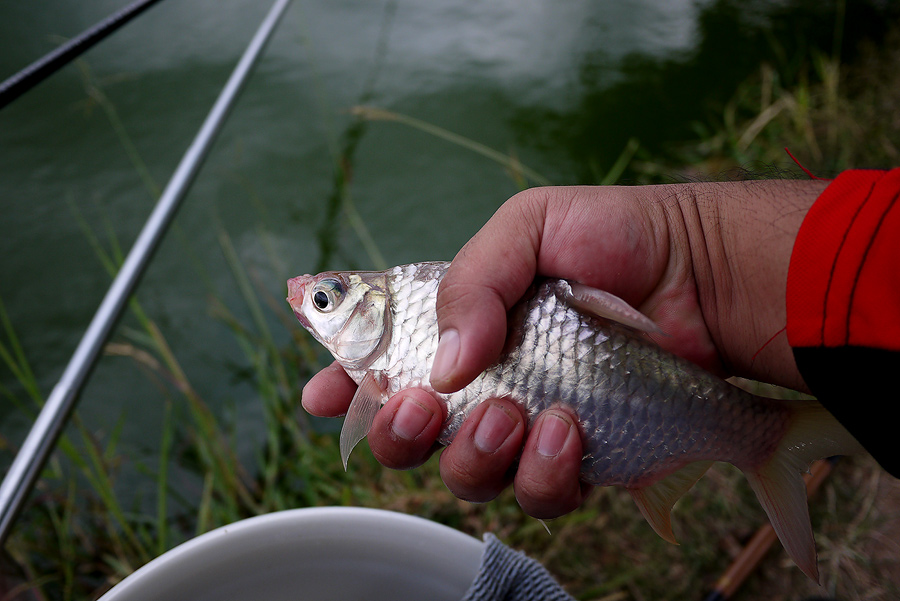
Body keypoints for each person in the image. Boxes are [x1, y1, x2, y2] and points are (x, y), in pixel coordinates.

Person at [302, 172, 899, 520]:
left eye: (325, 298)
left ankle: (768, 436)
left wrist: (694, 254)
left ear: (375, 308)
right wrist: (699, 253)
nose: (304, 296)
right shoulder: (385, 351)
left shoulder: (406, 320)